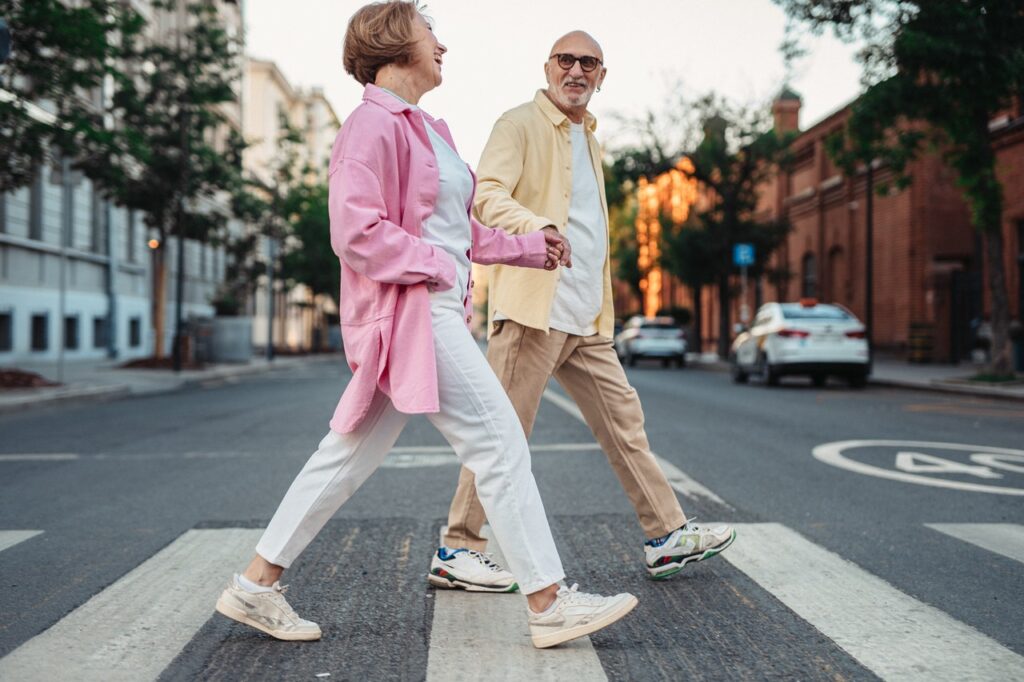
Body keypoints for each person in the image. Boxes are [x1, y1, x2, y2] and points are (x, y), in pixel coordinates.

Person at [213, 1, 636, 649]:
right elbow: (355, 232)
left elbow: (454, 230)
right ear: (394, 42)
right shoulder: (368, 125)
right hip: (414, 311)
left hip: (427, 306)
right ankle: (549, 602)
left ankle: (254, 585)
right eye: (430, 31)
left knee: (346, 457)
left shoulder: (426, 129)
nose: (443, 45)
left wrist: (528, 247)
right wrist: (436, 265)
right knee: (499, 444)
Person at [430, 30, 735, 592]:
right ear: (548, 67)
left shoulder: (590, 139)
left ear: (601, 75)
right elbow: (486, 194)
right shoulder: (518, 123)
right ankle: (458, 548)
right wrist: (534, 226)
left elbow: (591, 228)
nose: (576, 71)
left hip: (586, 316)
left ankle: (666, 535)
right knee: (502, 434)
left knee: (625, 425)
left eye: (588, 63)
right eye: (566, 60)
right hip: (533, 311)